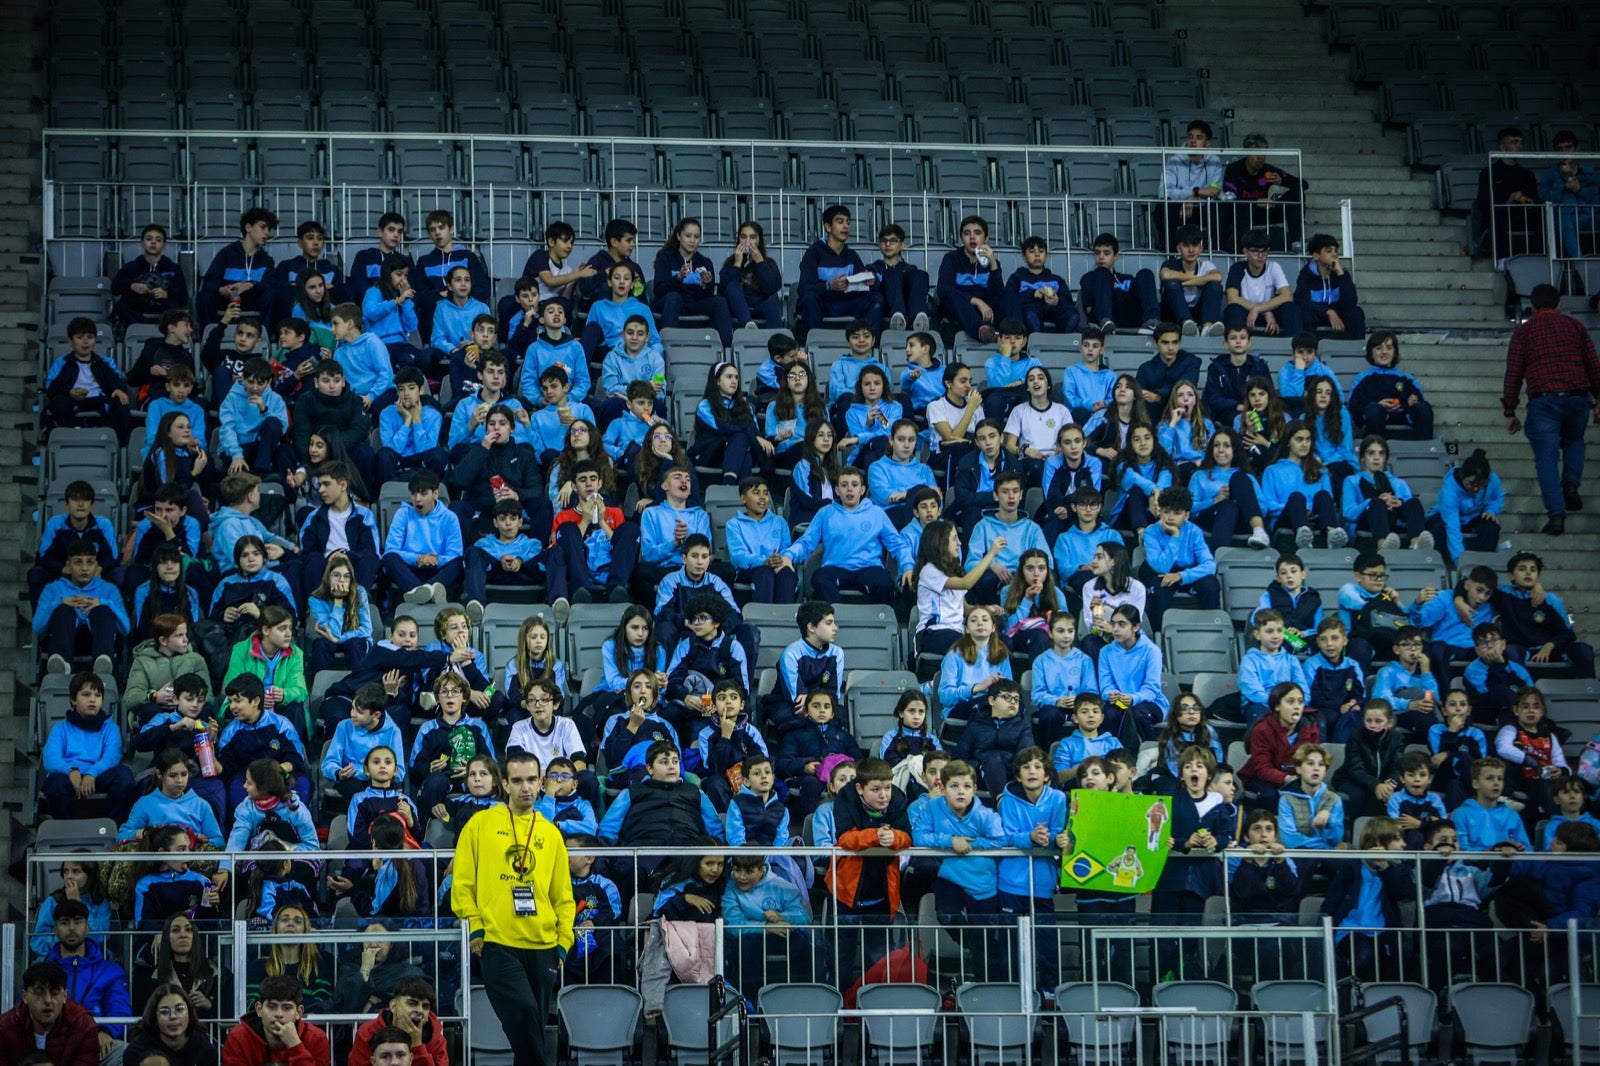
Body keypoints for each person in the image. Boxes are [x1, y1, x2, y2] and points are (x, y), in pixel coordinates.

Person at [451, 749, 575, 1066]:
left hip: (545, 944)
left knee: (529, 1030)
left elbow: (563, 895)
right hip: (497, 941)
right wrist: (475, 927)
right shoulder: (480, 825)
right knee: (524, 1012)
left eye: (532, 780)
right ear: (505, 784)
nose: (526, 787)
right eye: (517, 780)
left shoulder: (551, 833)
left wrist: (563, 943)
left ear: (541, 782)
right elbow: (463, 883)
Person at [1501, 283, 1600, 536]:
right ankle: (1571, 485)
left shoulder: (1524, 333)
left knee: (1546, 459)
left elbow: (1513, 374)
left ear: (1532, 308)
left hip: (1543, 401)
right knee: (1575, 441)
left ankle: (1556, 516)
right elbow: (1593, 365)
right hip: (1578, 399)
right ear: (1559, 305)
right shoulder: (1575, 327)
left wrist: (1510, 410)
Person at [796, 204, 879, 340]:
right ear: (828, 227)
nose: (846, 226)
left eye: (848, 222)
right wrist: (829, 286)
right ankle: (815, 345)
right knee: (809, 298)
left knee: (875, 298)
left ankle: (871, 346)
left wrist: (869, 282)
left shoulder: (852, 255)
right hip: (822, 303)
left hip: (844, 303)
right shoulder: (813, 252)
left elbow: (863, 285)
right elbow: (804, 288)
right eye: (840, 222)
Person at [0, 962, 102, 1066]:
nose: (48, 1000)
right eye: (39, 992)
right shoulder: (5, 1026)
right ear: (24, 996)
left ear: (65, 996)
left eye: (54, 992)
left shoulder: (83, 1025)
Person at [221, 973, 331, 1066]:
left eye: (286, 1008)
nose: (279, 1014)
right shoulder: (239, 1038)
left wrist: (295, 1045)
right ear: (259, 1009)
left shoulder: (316, 1038)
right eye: (271, 1007)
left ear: (299, 1012)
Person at [1221, 132, 1305, 252]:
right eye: (1256, 153)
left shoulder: (1268, 169)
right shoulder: (1234, 169)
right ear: (1246, 154)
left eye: (1264, 153)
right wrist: (1255, 201)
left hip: (1264, 211)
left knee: (1297, 193)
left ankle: (1295, 241)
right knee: (1241, 206)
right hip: (1240, 212)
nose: (1260, 158)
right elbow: (1229, 196)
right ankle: (1243, 249)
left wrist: (1282, 180)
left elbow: (1303, 184)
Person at [1476, 127, 1544, 263]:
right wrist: (1508, 201)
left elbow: (1535, 199)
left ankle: (1541, 257)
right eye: (1514, 142)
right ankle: (1502, 259)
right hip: (1501, 217)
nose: (1519, 146)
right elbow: (1484, 202)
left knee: (1542, 214)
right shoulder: (1489, 172)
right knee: (1497, 213)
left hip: (1522, 215)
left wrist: (1529, 201)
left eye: (1521, 142)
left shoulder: (1527, 174)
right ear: (1502, 146)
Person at [1163, 119, 1224, 248]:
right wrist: (1194, 193)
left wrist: (1195, 197)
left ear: (1207, 143)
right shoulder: (1174, 160)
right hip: (1179, 208)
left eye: (1199, 138)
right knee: (1164, 209)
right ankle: (1170, 253)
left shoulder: (1214, 162)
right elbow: (1164, 192)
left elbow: (1214, 191)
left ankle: (1216, 251)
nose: (1193, 141)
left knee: (1220, 210)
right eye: (1190, 137)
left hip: (1202, 208)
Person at [1539, 130, 1600, 259]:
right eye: (1559, 149)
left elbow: (1596, 200)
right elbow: (1546, 201)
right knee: (1563, 219)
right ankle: (1578, 262)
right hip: (1565, 219)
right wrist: (1562, 180)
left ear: (1577, 149)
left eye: (1568, 147)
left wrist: (1579, 189)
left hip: (1590, 216)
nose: (1564, 152)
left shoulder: (1591, 173)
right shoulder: (1549, 175)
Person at [125, 983, 217, 1066]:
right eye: (164, 1011)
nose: (173, 1016)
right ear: (155, 1018)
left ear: (189, 1013)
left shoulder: (205, 1051)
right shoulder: (137, 1051)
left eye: (179, 1009)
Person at [1293, 235, 1365, 339]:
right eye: (1329, 251)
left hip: (1338, 312)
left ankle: (1357, 349)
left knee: (1356, 313)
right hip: (1317, 313)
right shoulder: (1306, 275)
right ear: (1316, 256)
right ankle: (1308, 350)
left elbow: (1351, 302)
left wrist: (1340, 273)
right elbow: (1302, 301)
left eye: (1336, 251)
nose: (1334, 254)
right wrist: (1328, 312)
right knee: (1305, 315)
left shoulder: (1342, 275)